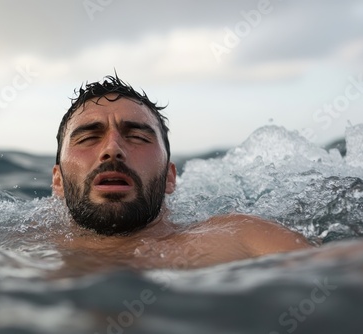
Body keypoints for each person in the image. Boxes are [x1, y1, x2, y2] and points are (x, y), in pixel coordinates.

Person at [50, 74, 313, 272]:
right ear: (58, 180)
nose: (112, 149)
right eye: (88, 137)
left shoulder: (243, 238)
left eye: (138, 137)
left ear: (169, 177)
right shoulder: (17, 249)